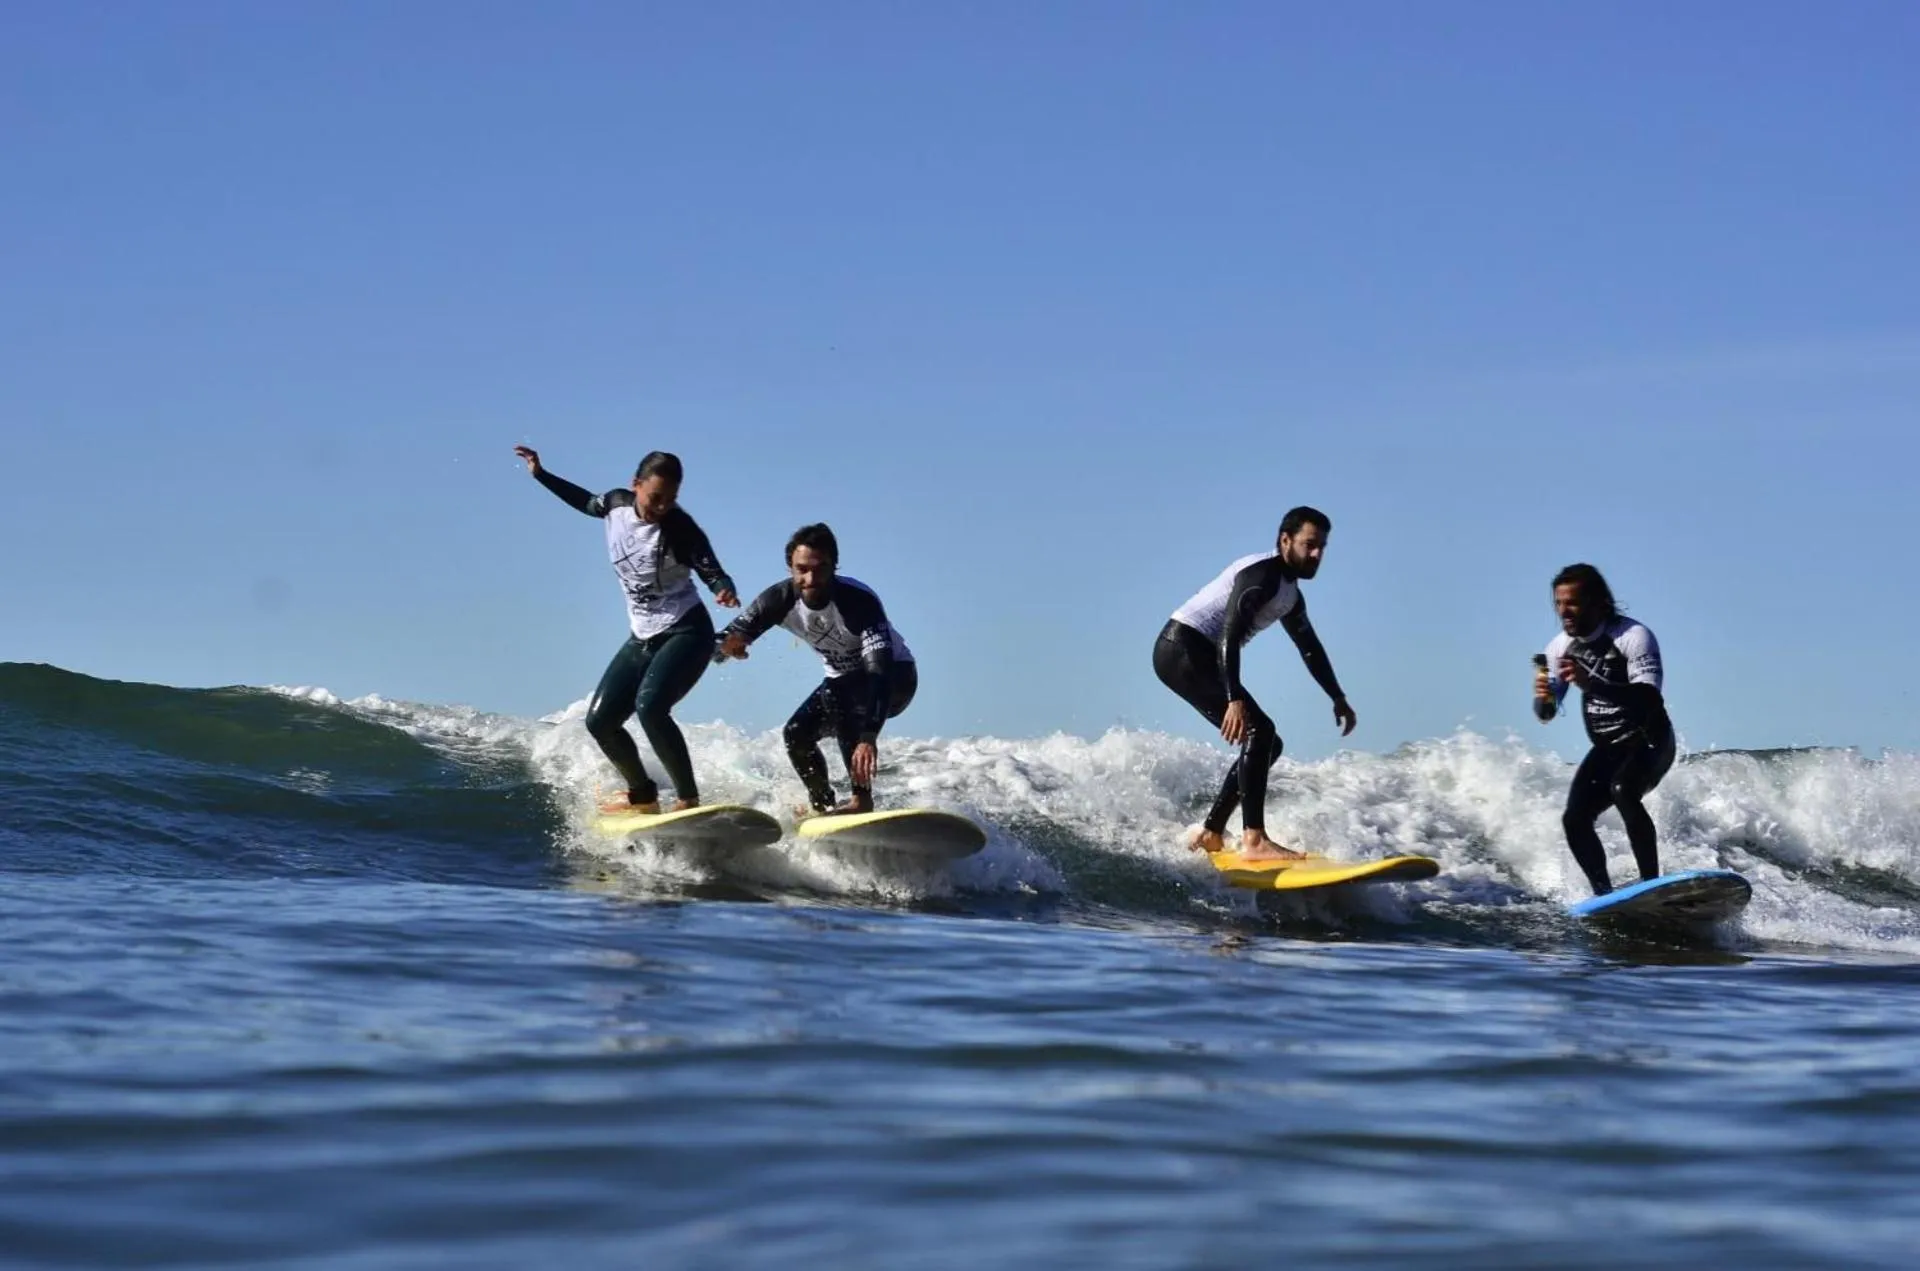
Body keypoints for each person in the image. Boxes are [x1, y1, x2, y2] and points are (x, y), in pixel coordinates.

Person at [512, 445, 739, 814]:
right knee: (600, 721)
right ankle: (643, 794)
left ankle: (687, 799)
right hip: (643, 635)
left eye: (670, 499)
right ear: (636, 485)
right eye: (655, 497)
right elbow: (585, 502)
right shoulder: (616, 504)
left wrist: (723, 588)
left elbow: (711, 569)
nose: (662, 506)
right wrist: (541, 475)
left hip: (687, 630)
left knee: (651, 708)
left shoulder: (679, 528)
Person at [1154, 507, 1356, 861]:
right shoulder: (1261, 576)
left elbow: (1309, 647)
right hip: (1182, 648)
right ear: (1285, 540)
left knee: (1268, 743)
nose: (1317, 555)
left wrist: (1337, 696)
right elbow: (1229, 636)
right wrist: (1234, 698)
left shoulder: (1290, 594)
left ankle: (1212, 833)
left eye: (1322, 547)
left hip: (1201, 654)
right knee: (1259, 732)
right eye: (1309, 545)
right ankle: (1254, 839)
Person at [713, 523, 916, 817]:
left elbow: (879, 672)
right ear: (790, 568)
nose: (811, 579)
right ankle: (823, 807)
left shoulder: (858, 601)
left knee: (841, 696)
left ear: (834, 567)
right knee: (796, 734)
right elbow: (721, 643)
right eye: (802, 569)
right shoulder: (778, 600)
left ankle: (861, 800)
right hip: (842, 686)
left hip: (895, 680)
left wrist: (869, 735)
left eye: (820, 569)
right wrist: (726, 648)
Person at [1534, 563, 1675, 896]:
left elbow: (1648, 699)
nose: (1564, 611)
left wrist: (1591, 684)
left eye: (1572, 603)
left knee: (1623, 790)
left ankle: (1651, 886)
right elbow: (1546, 714)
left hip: (1649, 740)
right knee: (1574, 819)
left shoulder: (1633, 636)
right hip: (1608, 748)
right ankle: (1605, 896)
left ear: (1599, 603)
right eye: (1559, 603)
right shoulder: (1559, 647)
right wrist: (1543, 698)